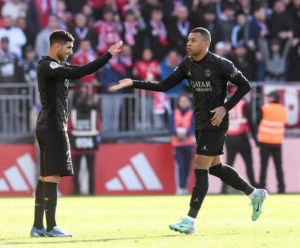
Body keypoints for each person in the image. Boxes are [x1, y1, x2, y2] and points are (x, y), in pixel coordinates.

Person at [110, 27, 268, 235]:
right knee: (215, 168)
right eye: (188, 40)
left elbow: (245, 85)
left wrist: (224, 107)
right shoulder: (187, 64)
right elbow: (164, 85)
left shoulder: (221, 64)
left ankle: (189, 220)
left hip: (215, 121)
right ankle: (255, 194)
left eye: (193, 40)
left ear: (205, 43)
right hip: (200, 122)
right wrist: (134, 82)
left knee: (200, 167)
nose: (188, 43)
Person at [30, 29, 122, 237]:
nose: (71, 52)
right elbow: (80, 72)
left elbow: (82, 70)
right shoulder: (48, 65)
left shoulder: (56, 65)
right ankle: (51, 227)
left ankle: (38, 226)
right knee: (52, 176)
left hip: (48, 126)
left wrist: (106, 56)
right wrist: (107, 54)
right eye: (69, 47)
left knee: (45, 176)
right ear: (56, 46)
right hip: (53, 127)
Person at [258, 91, 288, 193]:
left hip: (265, 140)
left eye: (269, 97)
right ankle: (281, 188)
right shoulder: (284, 110)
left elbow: (257, 121)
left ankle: (261, 186)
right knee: (278, 166)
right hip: (277, 141)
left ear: (273, 98)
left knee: (264, 166)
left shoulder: (265, 108)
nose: (268, 98)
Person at [169, 92, 194, 195]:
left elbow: (193, 127)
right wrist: (177, 135)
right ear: (178, 102)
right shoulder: (174, 113)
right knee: (180, 165)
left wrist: (186, 135)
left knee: (187, 166)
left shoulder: (192, 113)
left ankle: (185, 188)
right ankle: (180, 188)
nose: (183, 103)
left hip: (188, 144)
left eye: (185, 101)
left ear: (188, 102)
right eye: (182, 101)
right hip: (177, 144)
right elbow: (171, 127)